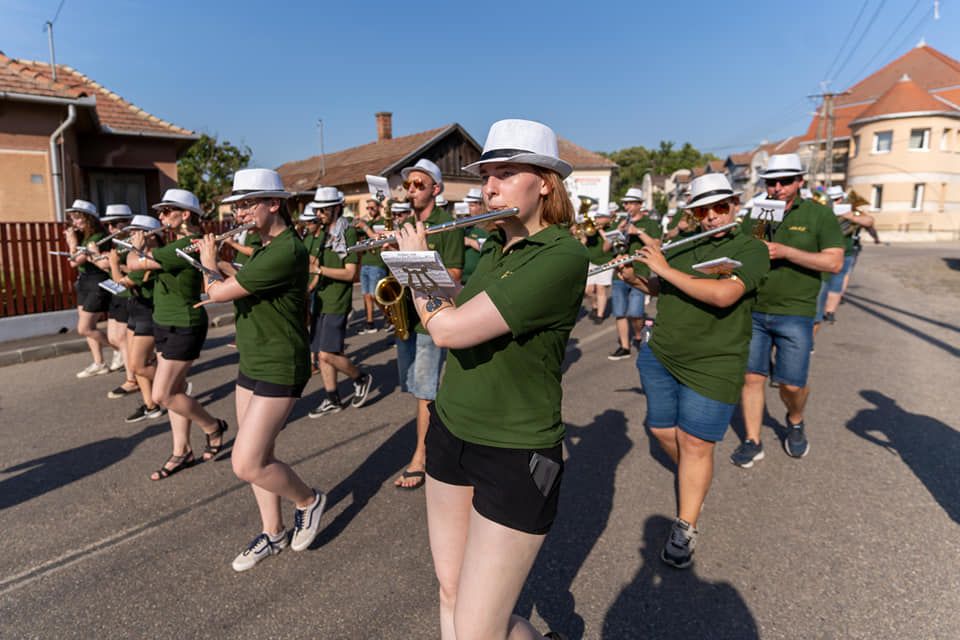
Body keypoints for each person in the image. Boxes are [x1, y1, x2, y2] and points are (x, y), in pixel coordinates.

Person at [394, 118, 586, 640]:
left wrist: (413, 268)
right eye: (487, 175)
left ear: (545, 181)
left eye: (505, 172)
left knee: (481, 629)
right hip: (452, 430)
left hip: (516, 451)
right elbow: (461, 303)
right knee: (451, 593)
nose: (490, 186)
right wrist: (426, 269)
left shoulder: (563, 255)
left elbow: (451, 330)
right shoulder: (496, 246)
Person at [620, 174, 769, 568]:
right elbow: (662, 288)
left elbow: (724, 295)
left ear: (735, 204)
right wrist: (635, 277)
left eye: (720, 207)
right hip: (663, 353)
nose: (712, 216)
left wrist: (663, 267)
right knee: (661, 430)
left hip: (715, 360)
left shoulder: (752, 247)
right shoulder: (683, 246)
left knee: (697, 443)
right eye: (703, 210)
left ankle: (686, 524)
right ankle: (694, 476)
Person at [196, 168, 326, 571]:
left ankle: (309, 499)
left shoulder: (287, 249)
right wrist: (226, 267)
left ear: (274, 203)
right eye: (238, 205)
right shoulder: (264, 246)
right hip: (252, 359)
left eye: (249, 203)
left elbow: (216, 294)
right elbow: (247, 282)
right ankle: (273, 533)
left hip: (280, 363)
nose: (241, 212)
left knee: (246, 462)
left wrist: (207, 263)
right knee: (262, 455)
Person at [732, 154, 844, 467]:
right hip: (754, 309)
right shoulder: (757, 214)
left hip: (796, 311)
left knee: (791, 384)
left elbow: (834, 262)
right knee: (751, 378)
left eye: (785, 181)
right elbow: (744, 251)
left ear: (799, 182)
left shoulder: (818, 215)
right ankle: (752, 440)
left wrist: (786, 252)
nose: (777, 188)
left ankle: (795, 419)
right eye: (771, 182)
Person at [127, 189, 229, 480]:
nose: (160, 216)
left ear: (185, 214)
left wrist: (136, 245)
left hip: (184, 324)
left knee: (163, 394)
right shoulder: (174, 244)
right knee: (176, 390)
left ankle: (212, 426)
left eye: (166, 210)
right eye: (160, 212)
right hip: (163, 321)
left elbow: (133, 263)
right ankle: (181, 450)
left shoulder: (186, 244)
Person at [391, 159, 465, 490]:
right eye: (408, 185)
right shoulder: (407, 224)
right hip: (406, 315)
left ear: (435, 189)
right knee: (414, 387)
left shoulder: (446, 225)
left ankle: (420, 456)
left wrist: (416, 260)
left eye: (418, 185)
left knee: (424, 391)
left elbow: (454, 276)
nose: (411, 190)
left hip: (430, 320)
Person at [306, 186, 373, 417]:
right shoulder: (322, 234)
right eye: (318, 209)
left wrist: (320, 270)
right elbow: (313, 265)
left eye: (324, 209)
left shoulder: (348, 232)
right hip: (320, 300)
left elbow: (350, 274)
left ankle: (361, 377)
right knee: (320, 354)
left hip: (337, 301)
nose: (319, 213)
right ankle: (332, 398)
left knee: (327, 354)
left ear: (336, 207)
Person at [117, 214, 166, 423]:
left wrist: (113, 263)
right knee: (136, 362)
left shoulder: (153, 256)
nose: (131, 237)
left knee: (137, 365)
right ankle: (150, 405)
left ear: (151, 235)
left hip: (148, 312)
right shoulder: (138, 256)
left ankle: (175, 386)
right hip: (135, 309)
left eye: (136, 232)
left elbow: (121, 283)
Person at [609, 188, 661, 360]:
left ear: (640, 204)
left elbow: (656, 247)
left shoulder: (651, 223)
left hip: (640, 271)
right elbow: (607, 248)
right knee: (620, 312)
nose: (627, 206)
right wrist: (616, 233)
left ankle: (638, 336)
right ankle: (624, 347)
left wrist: (638, 232)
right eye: (625, 203)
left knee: (635, 312)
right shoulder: (621, 222)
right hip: (619, 271)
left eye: (631, 203)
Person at [64, 200, 114, 378]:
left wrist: (71, 243)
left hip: (96, 281)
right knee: (89, 326)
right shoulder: (84, 237)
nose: (74, 223)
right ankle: (99, 362)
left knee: (84, 328)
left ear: (89, 219)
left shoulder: (97, 236)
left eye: (77, 218)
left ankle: (120, 348)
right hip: (84, 281)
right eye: (72, 219)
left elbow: (74, 261)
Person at [815, 186, 874, 331]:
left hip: (845, 252)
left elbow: (869, 221)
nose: (836, 202)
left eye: (838, 199)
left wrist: (851, 216)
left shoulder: (851, 208)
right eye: (833, 199)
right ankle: (818, 313)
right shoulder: (821, 207)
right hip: (822, 252)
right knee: (822, 284)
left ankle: (830, 312)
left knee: (837, 283)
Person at [96, 204, 138, 396]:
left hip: (128, 292)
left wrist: (110, 262)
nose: (111, 229)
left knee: (121, 338)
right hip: (116, 291)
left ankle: (132, 379)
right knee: (113, 337)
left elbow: (137, 269)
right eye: (108, 224)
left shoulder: (132, 242)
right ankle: (143, 366)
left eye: (114, 224)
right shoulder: (117, 243)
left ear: (127, 223)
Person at [353, 197, 390, 334]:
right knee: (366, 295)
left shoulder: (383, 222)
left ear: (379, 207)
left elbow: (378, 239)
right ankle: (370, 322)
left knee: (376, 295)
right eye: (367, 208)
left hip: (377, 262)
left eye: (372, 208)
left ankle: (390, 317)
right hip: (366, 261)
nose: (369, 210)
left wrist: (365, 227)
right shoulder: (367, 222)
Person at [582, 206, 615, 324]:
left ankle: (600, 315)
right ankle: (595, 306)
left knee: (601, 289)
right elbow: (581, 245)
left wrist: (601, 230)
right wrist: (585, 236)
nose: (597, 219)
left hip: (605, 261)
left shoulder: (612, 228)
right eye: (596, 217)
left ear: (607, 218)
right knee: (587, 290)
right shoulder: (590, 228)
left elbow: (607, 246)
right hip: (591, 261)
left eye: (600, 217)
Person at [461, 187, 488, 285]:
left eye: (471, 205)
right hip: (460, 279)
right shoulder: (465, 226)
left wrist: (471, 242)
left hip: (477, 281)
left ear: (481, 206)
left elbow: (492, 248)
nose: (468, 209)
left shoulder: (488, 226)